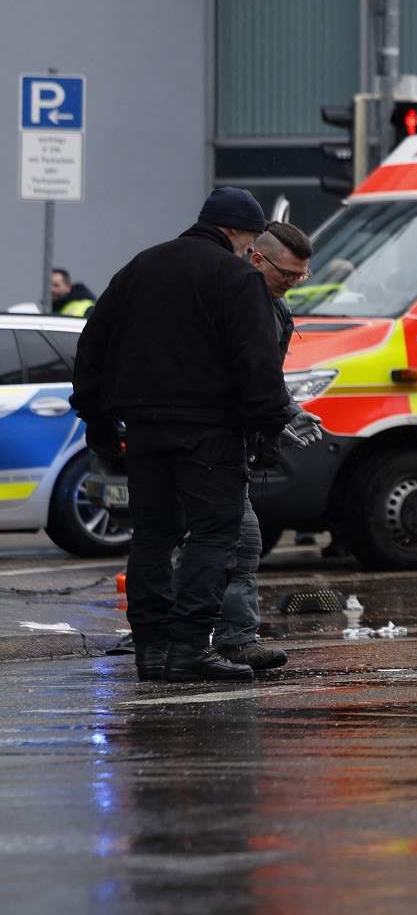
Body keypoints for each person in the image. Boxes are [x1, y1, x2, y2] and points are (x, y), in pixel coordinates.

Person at [71, 188, 295, 683]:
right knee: (215, 534)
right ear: (239, 233)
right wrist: (267, 429)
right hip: (209, 432)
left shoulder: (140, 268)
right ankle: (190, 646)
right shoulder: (237, 278)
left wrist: (97, 418)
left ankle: (152, 650)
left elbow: (93, 343)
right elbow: (256, 364)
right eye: (249, 240)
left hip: (145, 430)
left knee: (152, 536)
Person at [214, 221, 320, 672]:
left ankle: (187, 638)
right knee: (237, 540)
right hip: (209, 441)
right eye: (288, 274)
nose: (294, 284)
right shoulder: (239, 304)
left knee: (216, 542)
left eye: (302, 276)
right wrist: (282, 414)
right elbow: (246, 377)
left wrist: (281, 414)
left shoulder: (271, 308)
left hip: (224, 441)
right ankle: (228, 641)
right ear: (257, 258)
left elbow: (263, 379)